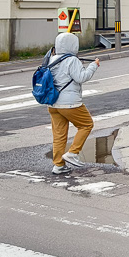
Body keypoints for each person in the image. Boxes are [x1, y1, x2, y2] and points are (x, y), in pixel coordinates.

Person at [46, 32, 100, 175]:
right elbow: (81, 77)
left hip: (53, 103)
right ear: (73, 45)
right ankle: (73, 153)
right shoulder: (72, 60)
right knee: (86, 124)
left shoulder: (51, 58)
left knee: (59, 135)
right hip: (70, 103)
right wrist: (93, 66)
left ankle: (58, 165)